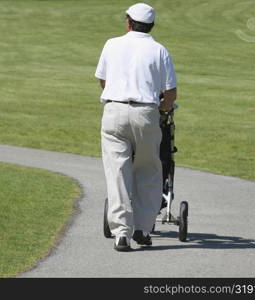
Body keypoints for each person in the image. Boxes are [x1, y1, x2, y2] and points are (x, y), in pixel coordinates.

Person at [95, 3, 177, 251]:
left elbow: (103, 81)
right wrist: (161, 109)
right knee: (149, 170)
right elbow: (170, 94)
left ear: (128, 22)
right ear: (151, 25)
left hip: (113, 112)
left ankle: (121, 233)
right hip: (146, 113)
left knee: (117, 172)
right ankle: (142, 229)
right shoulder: (160, 50)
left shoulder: (111, 44)